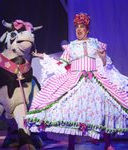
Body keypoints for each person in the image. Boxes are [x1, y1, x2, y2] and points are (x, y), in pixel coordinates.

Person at [24, 13, 128, 150]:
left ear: (87, 29)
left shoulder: (95, 43)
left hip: (93, 79)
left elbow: (104, 64)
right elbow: (61, 64)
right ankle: (71, 145)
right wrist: (43, 56)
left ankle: (108, 143)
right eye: (77, 27)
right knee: (72, 111)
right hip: (74, 80)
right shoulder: (71, 46)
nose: (79, 29)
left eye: (82, 27)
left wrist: (102, 57)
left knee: (103, 106)